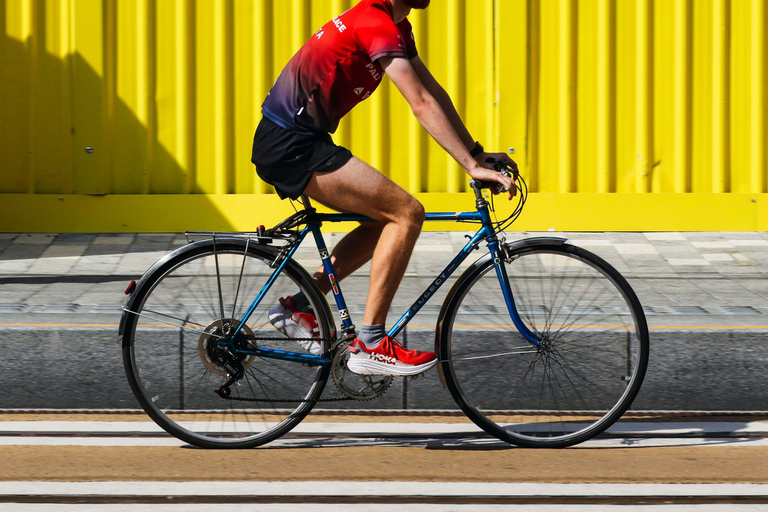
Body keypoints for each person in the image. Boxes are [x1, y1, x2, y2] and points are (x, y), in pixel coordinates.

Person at [252, 0, 516, 377]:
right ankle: (371, 343)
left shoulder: (396, 25)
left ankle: (299, 305)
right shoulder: (374, 22)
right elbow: (420, 104)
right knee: (406, 213)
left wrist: (476, 153)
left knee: (383, 221)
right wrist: (470, 167)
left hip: (300, 141)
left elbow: (433, 91)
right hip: (292, 145)